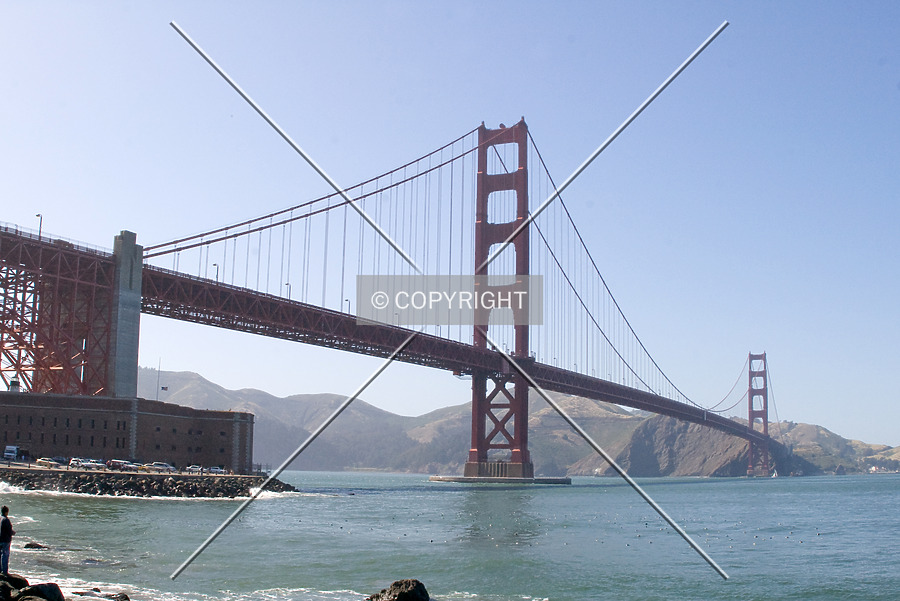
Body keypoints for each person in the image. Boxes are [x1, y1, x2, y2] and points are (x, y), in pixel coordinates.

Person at [0, 505, 15, 575]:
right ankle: (5, 572)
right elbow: (9, 531)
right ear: (6, 512)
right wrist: (13, 532)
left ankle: (0, 570)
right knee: (5, 555)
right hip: (5, 541)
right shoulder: (6, 520)